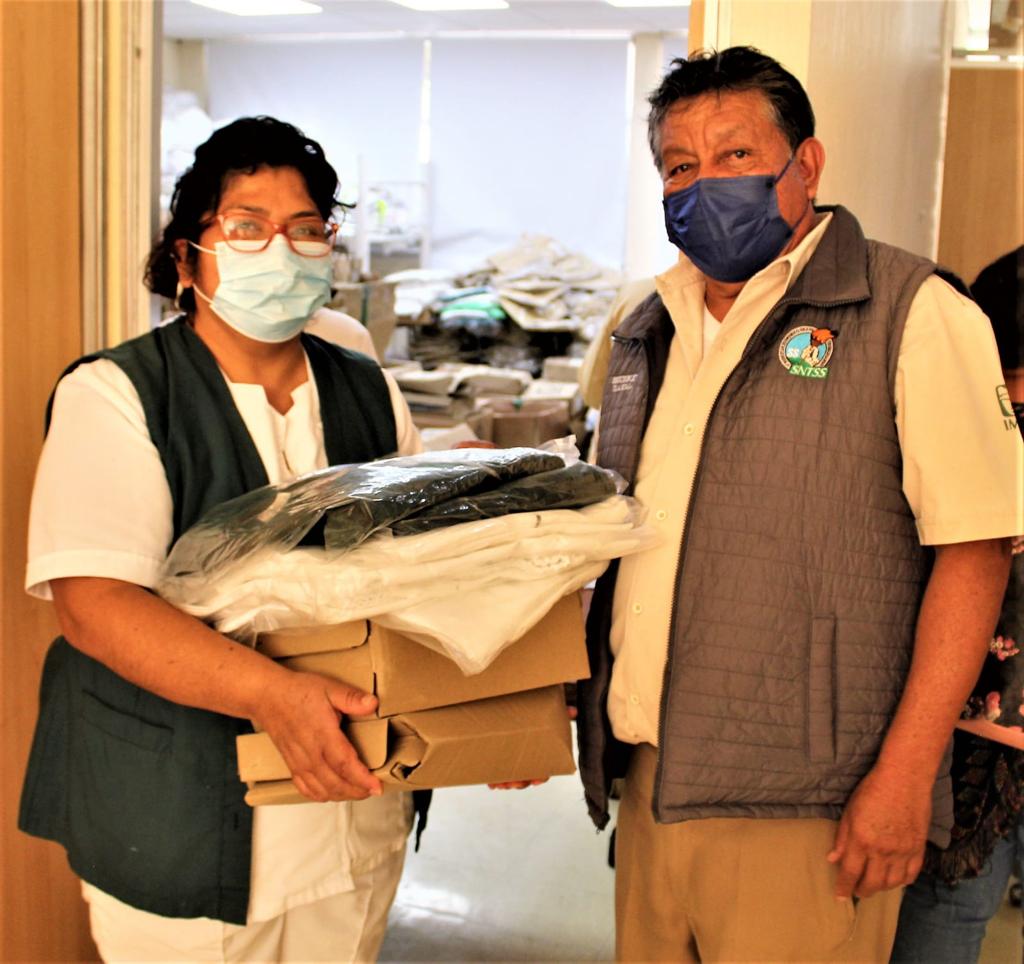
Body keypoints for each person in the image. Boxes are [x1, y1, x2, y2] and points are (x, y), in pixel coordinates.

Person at [575, 47, 1023, 962]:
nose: (704, 184)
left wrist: (905, 778)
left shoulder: (913, 312)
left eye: (736, 155)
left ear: (806, 164)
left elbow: (974, 550)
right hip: (653, 775)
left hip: (809, 804)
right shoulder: (646, 325)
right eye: (679, 166)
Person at [18, 115, 422, 962]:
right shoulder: (118, 395)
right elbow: (94, 604)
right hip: (176, 822)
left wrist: (492, 699)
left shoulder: (367, 391)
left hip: (352, 815)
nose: (280, 250)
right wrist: (272, 695)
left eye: (306, 228)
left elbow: (425, 569)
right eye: (245, 226)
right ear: (185, 258)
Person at [890, 245, 1024, 963]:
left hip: (960, 733)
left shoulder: (964, 428)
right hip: (966, 743)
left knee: (943, 918)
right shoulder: (968, 429)